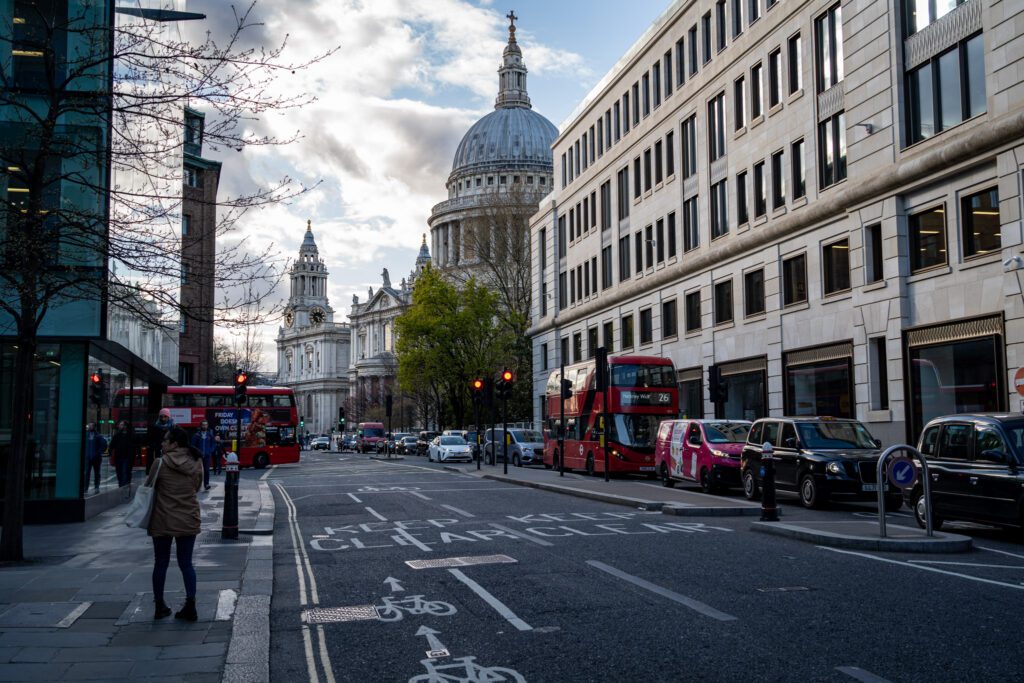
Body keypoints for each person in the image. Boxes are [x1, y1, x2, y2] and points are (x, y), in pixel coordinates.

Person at [148, 426, 203, 621]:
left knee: (160, 563)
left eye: (165, 440)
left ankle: (159, 606)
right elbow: (196, 487)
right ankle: (191, 605)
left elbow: (149, 487)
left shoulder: (160, 463)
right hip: (188, 517)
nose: (162, 443)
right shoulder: (196, 460)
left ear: (174, 444)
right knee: (186, 564)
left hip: (163, 519)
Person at [190, 420, 217, 491]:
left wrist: (210, 451)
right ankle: (196, 485)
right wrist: (196, 452)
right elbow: (192, 445)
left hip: (207, 456)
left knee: (207, 470)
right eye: (203, 425)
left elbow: (213, 444)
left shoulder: (210, 435)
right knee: (197, 471)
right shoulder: (197, 435)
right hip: (198, 456)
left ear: (207, 426)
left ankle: (206, 484)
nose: (204, 426)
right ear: (200, 426)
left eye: (206, 425)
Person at [109, 420, 136, 488]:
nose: (119, 426)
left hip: (127, 458)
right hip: (118, 457)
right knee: (119, 473)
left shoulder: (130, 435)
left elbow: (134, 447)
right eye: (120, 424)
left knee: (125, 473)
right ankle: (121, 486)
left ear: (125, 426)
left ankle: (124, 487)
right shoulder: (117, 435)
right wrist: (110, 452)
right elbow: (112, 445)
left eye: (121, 425)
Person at [148, 408, 175, 474]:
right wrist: (155, 446)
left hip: (169, 451)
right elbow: (151, 440)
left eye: (165, 416)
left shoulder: (173, 427)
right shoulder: (155, 427)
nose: (163, 418)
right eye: (161, 416)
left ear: (168, 417)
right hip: (158, 451)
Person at [84, 423, 108, 493]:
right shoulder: (86, 435)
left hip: (96, 458)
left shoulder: (98, 436)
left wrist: (99, 452)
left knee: (97, 473)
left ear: (94, 427)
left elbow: (104, 444)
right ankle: (86, 488)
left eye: (91, 425)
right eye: (89, 425)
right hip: (88, 458)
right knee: (87, 473)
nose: (89, 426)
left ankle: (96, 487)